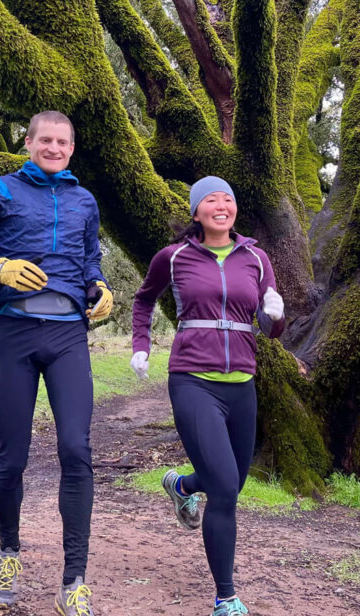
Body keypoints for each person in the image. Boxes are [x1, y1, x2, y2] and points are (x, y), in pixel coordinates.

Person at [0, 110, 112, 615]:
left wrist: (99, 287)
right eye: (46, 139)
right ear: (29, 142)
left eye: (63, 141)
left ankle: (74, 580)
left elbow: (90, 261)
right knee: (12, 455)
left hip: (68, 335)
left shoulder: (85, 200)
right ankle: (9, 553)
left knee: (76, 449)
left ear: (71, 147)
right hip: (15, 331)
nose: (54, 147)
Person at [130, 176, 285, 616]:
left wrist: (276, 316)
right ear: (196, 212)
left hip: (242, 383)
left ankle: (181, 485)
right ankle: (226, 596)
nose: (222, 205)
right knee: (226, 492)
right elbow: (144, 301)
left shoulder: (256, 258)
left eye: (228, 199)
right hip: (192, 380)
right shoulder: (173, 257)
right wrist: (141, 344)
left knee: (232, 481)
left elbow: (271, 328)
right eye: (211, 200)